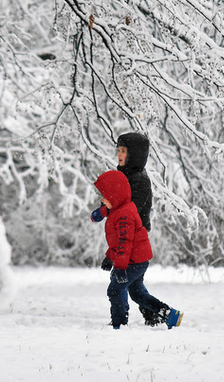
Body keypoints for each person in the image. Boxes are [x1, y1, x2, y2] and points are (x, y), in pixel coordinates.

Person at [93, 170, 182, 330]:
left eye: (105, 196)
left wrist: (119, 267)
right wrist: (109, 257)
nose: (102, 199)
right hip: (138, 260)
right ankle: (170, 315)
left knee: (115, 289)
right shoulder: (119, 209)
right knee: (138, 294)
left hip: (132, 262)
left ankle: (119, 324)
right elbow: (118, 243)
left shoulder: (124, 215)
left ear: (115, 197)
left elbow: (124, 243)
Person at [91, 132, 160, 325]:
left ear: (135, 154)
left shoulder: (139, 179)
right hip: (128, 235)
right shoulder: (123, 174)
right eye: (118, 150)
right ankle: (154, 315)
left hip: (135, 237)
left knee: (125, 282)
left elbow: (127, 211)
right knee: (135, 285)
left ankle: (126, 319)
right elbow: (116, 202)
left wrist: (106, 211)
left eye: (123, 151)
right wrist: (103, 210)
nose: (119, 154)